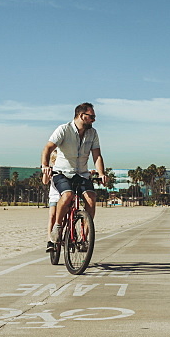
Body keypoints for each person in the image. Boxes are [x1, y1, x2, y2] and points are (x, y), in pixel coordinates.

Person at [41, 103, 106, 244]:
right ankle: (58, 227)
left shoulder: (93, 133)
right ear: (82, 116)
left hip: (82, 174)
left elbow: (97, 155)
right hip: (62, 173)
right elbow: (48, 148)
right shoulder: (63, 129)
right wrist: (45, 166)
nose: (94, 120)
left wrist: (101, 173)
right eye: (92, 117)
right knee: (68, 195)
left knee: (91, 199)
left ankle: (84, 237)